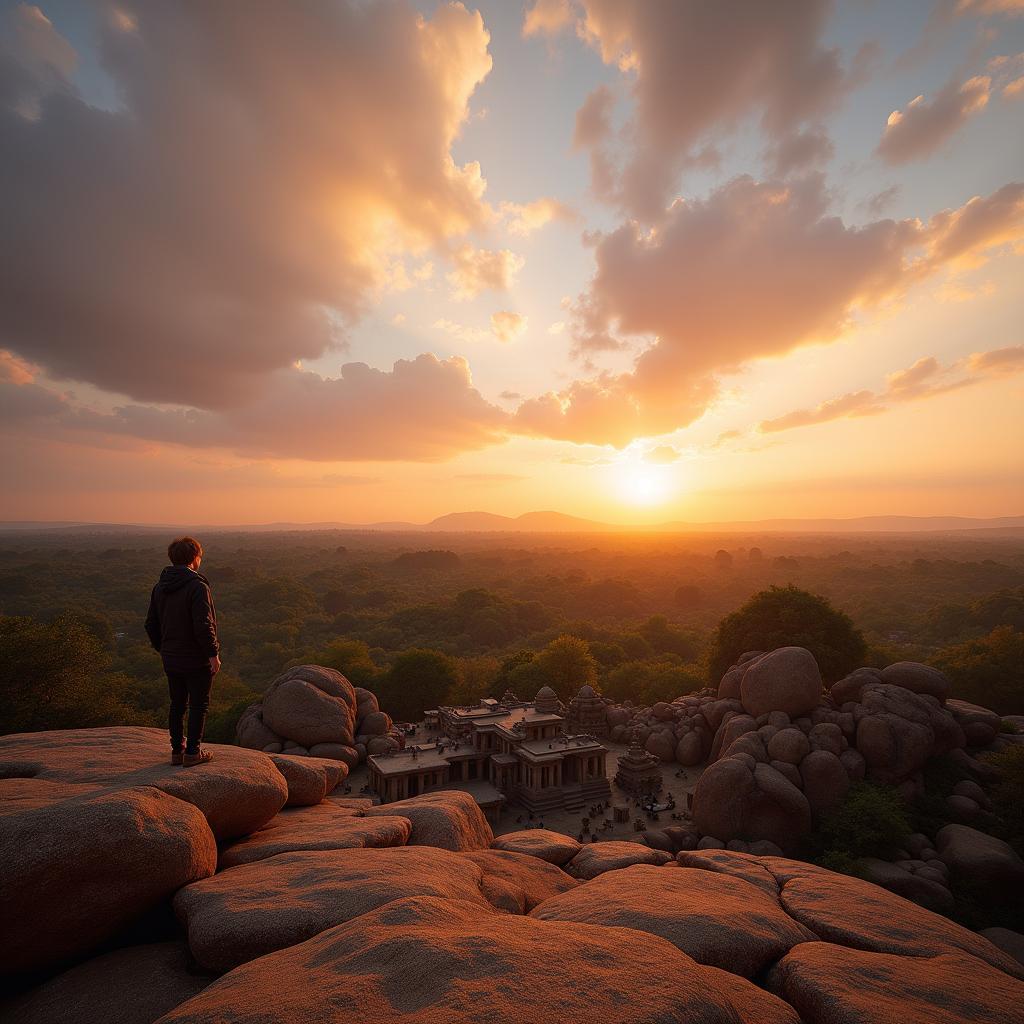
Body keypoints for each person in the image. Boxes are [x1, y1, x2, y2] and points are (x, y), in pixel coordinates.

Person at [145, 536, 221, 766]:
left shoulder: (160, 587)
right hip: (196, 657)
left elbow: (150, 624)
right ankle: (193, 753)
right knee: (199, 704)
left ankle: (177, 751)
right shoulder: (197, 586)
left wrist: (163, 648)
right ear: (194, 558)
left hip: (171, 656)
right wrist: (213, 654)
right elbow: (203, 624)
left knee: (177, 703)